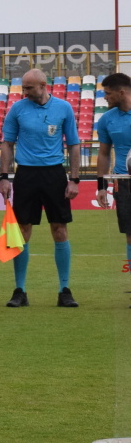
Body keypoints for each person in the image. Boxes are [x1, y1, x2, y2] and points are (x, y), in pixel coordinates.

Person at [0, 68, 82, 307]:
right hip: (25, 174)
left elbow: (74, 145)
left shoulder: (63, 108)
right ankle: (20, 290)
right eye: (23, 87)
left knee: (59, 229)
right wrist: (4, 177)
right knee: (22, 231)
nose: (24, 92)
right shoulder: (17, 108)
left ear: (43, 85)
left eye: (29, 88)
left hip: (54, 173)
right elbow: (7, 144)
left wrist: (74, 179)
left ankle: (64, 289)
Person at [96, 73, 131, 293]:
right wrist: (101, 185)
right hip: (123, 182)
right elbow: (103, 154)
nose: (105, 97)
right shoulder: (107, 119)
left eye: (108, 94)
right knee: (130, 233)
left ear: (121, 92)